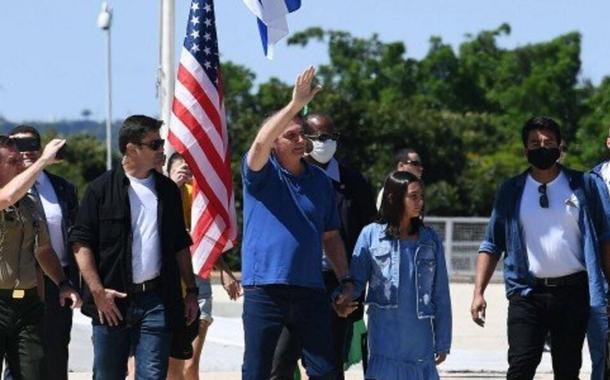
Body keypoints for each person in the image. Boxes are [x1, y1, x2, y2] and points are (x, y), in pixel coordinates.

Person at [470, 116, 610, 380]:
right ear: (525, 151)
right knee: (521, 365)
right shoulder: (511, 190)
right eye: (534, 143)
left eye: (548, 142)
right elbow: (491, 243)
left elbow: (604, 239)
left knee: (567, 369)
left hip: (573, 293)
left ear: (560, 147)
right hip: (527, 293)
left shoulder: (586, 185)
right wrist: (479, 292)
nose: (542, 147)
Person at [241, 66, 353, 380]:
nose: (301, 140)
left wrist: (345, 279)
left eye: (302, 134)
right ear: (276, 143)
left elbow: (330, 236)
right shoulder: (261, 174)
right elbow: (259, 144)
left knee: (326, 370)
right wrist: (293, 105)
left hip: (310, 288)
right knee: (260, 370)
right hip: (265, 288)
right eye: (291, 135)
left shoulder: (319, 181)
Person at [69, 115, 199, 380]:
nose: (162, 149)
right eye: (155, 144)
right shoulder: (99, 190)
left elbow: (180, 245)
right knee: (108, 375)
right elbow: (81, 244)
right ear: (131, 149)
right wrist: (97, 292)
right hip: (112, 301)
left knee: (152, 375)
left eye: (161, 142)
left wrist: (192, 291)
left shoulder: (167, 191)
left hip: (156, 299)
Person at [270, 113, 377, 380]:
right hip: (293, 281)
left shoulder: (355, 183)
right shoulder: (286, 178)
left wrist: (353, 286)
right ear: (304, 139)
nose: (327, 143)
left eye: (332, 137)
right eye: (320, 138)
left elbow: (368, 236)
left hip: (334, 284)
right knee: (279, 362)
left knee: (328, 366)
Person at [341, 170, 451, 380]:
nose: (420, 202)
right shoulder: (370, 235)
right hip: (384, 339)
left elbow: (441, 294)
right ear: (393, 198)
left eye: (421, 196)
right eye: (413, 196)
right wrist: (340, 299)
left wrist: (443, 341)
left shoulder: (430, 239)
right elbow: (355, 282)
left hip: (420, 342)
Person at [3, 125, 80, 380]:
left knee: (34, 370)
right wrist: (44, 161)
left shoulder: (30, 203)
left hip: (26, 301)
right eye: (12, 160)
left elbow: (44, 249)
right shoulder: (11, 196)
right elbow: (6, 197)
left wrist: (63, 283)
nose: (19, 164)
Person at [165, 152, 242, 380]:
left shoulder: (200, 201)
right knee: (172, 366)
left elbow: (207, 241)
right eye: (181, 168)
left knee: (190, 365)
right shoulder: (160, 196)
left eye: (190, 169)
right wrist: (173, 187)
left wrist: (226, 272)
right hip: (168, 287)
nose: (185, 173)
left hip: (198, 283)